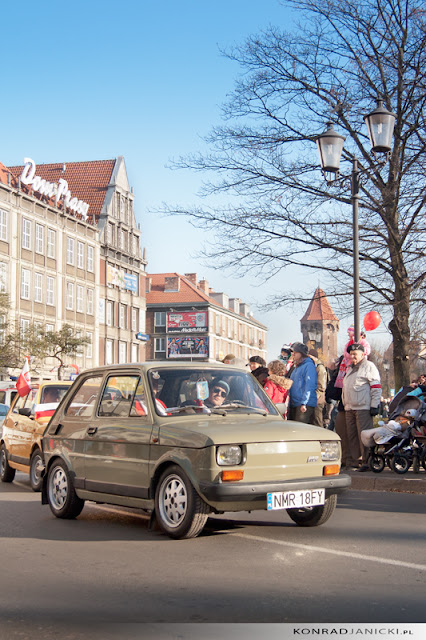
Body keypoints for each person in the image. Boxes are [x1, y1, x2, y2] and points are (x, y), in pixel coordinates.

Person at [342, 343, 382, 471]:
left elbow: (376, 387)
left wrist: (374, 404)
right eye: (351, 354)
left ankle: (367, 461)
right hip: (349, 407)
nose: (352, 356)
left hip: (363, 407)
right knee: (352, 435)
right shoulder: (350, 369)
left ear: (363, 354)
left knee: (364, 436)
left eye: (355, 354)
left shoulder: (368, 366)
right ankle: (356, 460)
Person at [288, 342, 317, 423]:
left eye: (295, 353)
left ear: (301, 353)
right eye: (292, 353)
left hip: (303, 404)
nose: (292, 355)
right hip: (294, 403)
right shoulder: (296, 367)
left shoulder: (309, 365)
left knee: (300, 430)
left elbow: (310, 385)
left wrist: (304, 402)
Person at [308, 348, 327, 427]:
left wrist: (315, 396)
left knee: (317, 421)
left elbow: (321, 386)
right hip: (312, 398)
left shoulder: (319, 367)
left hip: (317, 399)